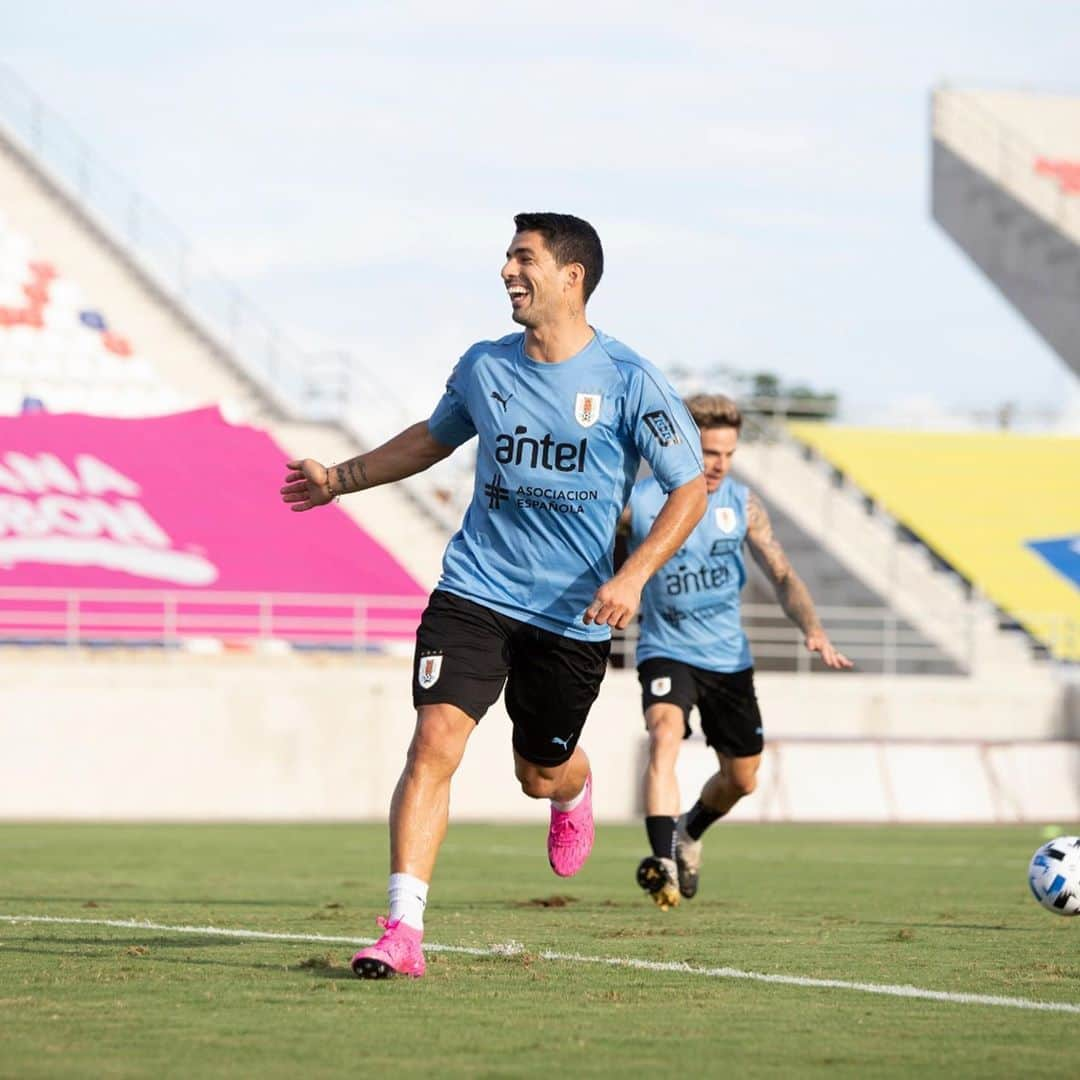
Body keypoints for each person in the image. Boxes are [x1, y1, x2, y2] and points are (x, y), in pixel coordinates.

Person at [280, 212, 707, 976]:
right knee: (434, 742)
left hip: (573, 616)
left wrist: (634, 573)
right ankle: (403, 930)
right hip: (475, 591)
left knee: (537, 771)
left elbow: (687, 491)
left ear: (572, 277)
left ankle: (570, 790)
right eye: (508, 258)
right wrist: (340, 479)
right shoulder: (485, 366)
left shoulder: (627, 381)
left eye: (524, 258)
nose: (508, 271)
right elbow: (432, 437)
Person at [622, 394, 852, 910]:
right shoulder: (637, 504)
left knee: (742, 778)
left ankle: (691, 831)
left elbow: (782, 574)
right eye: (707, 452)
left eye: (726, 453)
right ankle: (662, 861)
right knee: (663, 736)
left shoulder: (741, 505)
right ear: (681, 445)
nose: (717, 464)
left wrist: (812, 628)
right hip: (666, 648)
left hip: (729, 659)